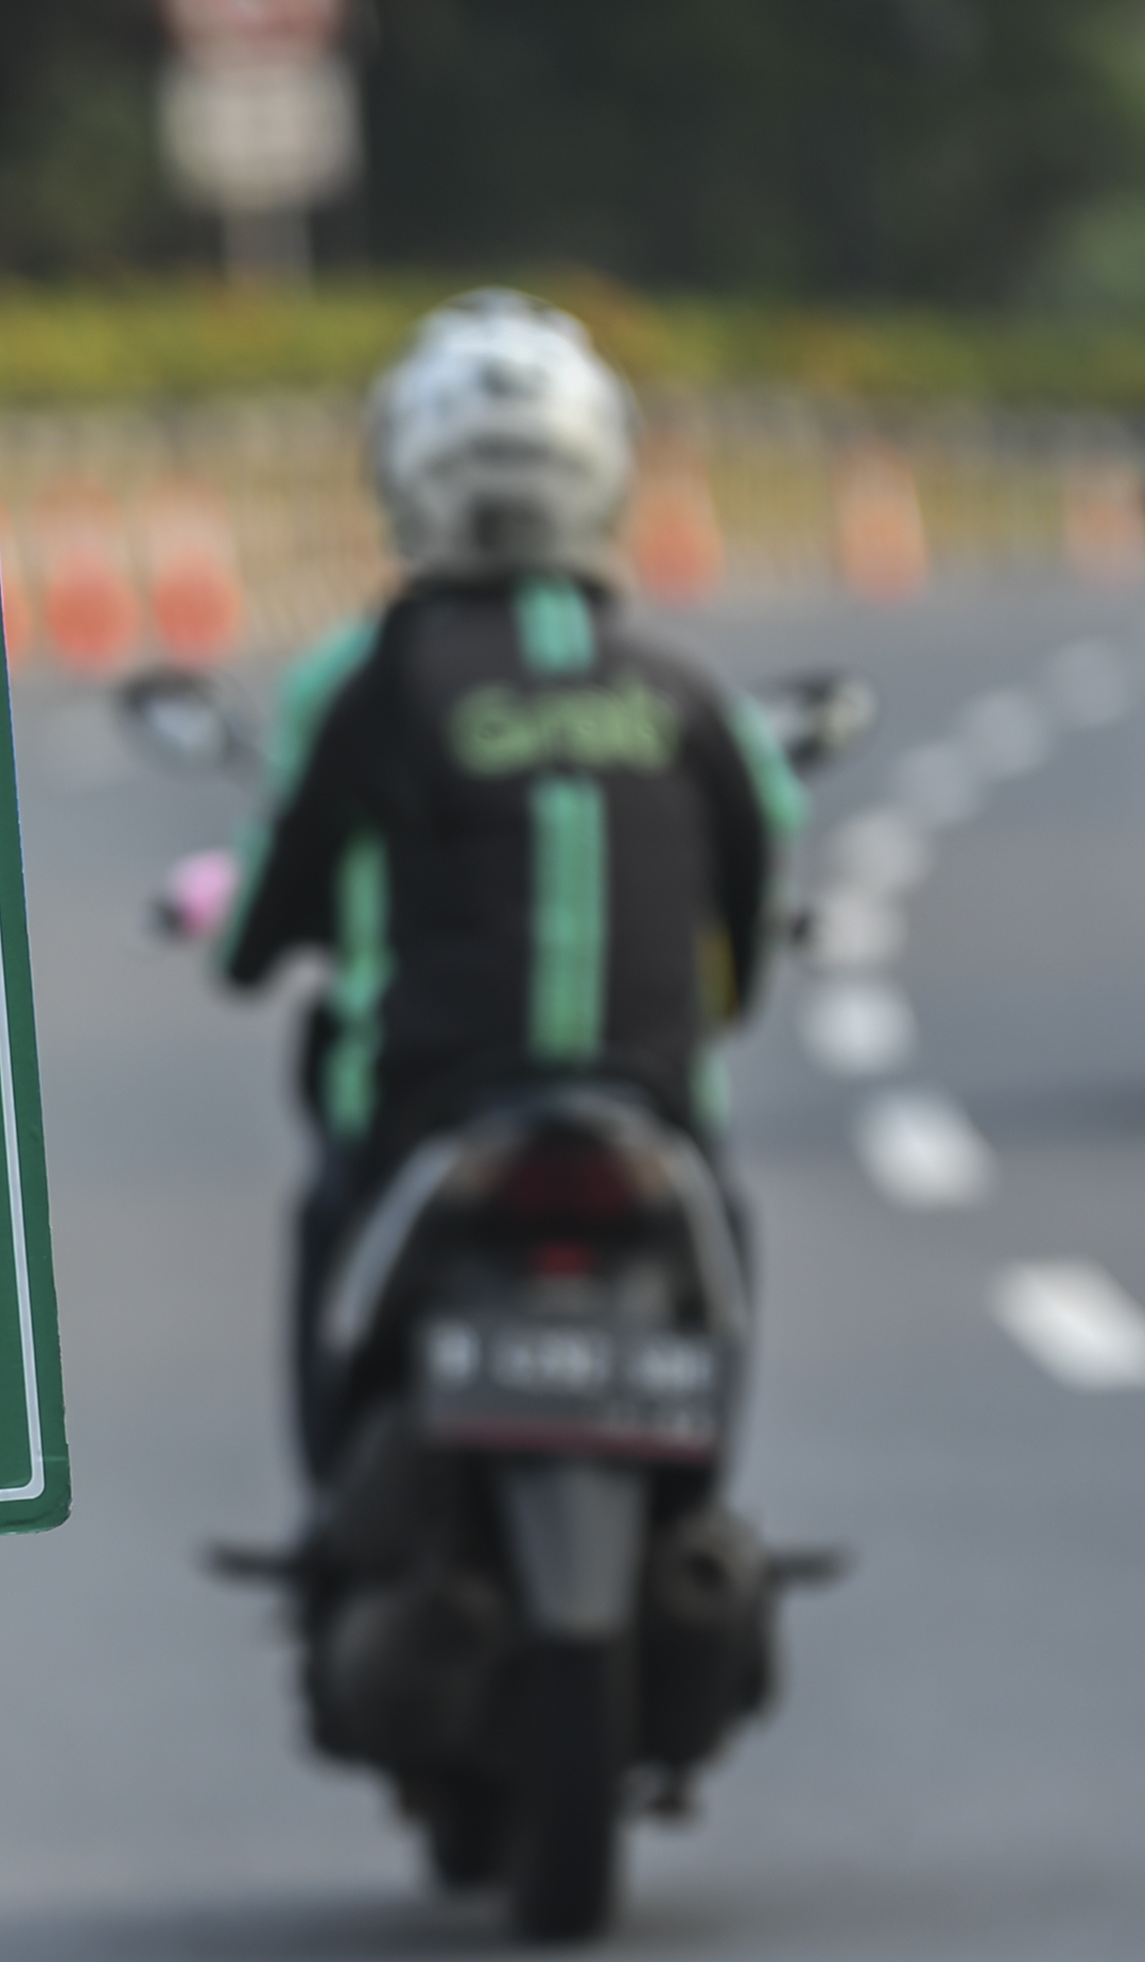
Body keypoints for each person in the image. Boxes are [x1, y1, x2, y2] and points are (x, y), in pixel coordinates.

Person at [207, 289, 802, 1464]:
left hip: (427, 1107)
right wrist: (723, 1004)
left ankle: (330, 1506)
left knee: (331, 1223)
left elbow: (274, 905)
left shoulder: (368, 681)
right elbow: (753, 870)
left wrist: (245, 948)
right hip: (654, 1109)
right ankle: (700, 1470)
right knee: (721, 1236)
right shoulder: (679, 688)